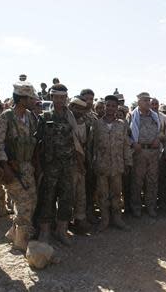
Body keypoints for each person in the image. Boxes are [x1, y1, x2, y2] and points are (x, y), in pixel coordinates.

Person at [36, 84, 82, 245]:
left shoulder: (70, 117)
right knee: (47, 198)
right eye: (57, 97)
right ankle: (45, 232)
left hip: (68, 165)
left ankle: (61, 231)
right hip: (50, 166)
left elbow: (76, 142)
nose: (60, 100)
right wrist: (39, 167)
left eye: (63, 97)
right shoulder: (45, 116)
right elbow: (38, 144)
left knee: (66, 198)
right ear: (51, 97)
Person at [0, 81, 38, 252]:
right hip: (11, 168)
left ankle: (14, 232)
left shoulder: (30, 117)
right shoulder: (5, 118)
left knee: (32, 202)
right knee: (24, 204)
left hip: (27, 168)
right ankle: (21, 241)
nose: (33, 101)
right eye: (30, 98)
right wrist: (5, 167)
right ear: (22, 99)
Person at [91, 95, 133, 231]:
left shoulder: (121, 125)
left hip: (117, 165)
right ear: (104, 106)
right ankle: (104, 220)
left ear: (117, 108)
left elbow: (126, 145)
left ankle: (117, 219)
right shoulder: (97, 124)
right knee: (102, 195)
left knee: (116, 194)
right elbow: (92, 146)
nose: (110, 108)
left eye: (113, 106)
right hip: (102, 166)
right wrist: (93, 162)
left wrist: (128, 162)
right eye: (107, 105)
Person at [129, 92, 160, 218]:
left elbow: (160, 132)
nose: (148, 103)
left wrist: (158, 139)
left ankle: (151, 207)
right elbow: (125, 133)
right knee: (137, 181)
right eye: (145, 100)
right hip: (139, 152)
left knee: (152, 181)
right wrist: (133, 143)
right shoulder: (132, 116)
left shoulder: (154, 116)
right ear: (139, 102)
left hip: (153, 153)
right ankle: (136, 208)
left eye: (149, 100)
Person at [68, 97, 91, 234]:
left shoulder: (86, 123)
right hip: (69, 164)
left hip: (82, 163)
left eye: (81, 108)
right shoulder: (67, 122)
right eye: (76, 107)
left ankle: (79, 220)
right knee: (68, 195)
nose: (78, 111)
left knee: (81, 194)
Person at [79, 89, 99, 224]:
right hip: (78, 158)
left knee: (91, 186)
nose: (89, 102)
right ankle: (79, 217)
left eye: (91, 99)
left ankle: (89, 212)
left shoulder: (94, 117)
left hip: (92, 158)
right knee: (78, 189)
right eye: (86, 99)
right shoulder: (75, 115)